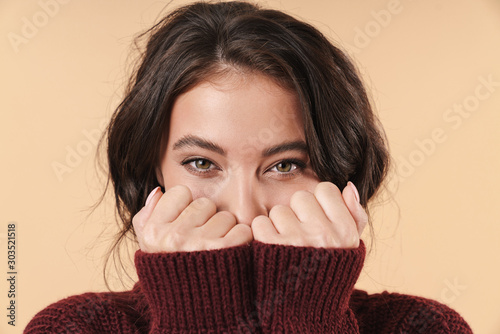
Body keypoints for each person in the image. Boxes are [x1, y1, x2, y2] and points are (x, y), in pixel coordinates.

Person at [25, 1, 473, 333]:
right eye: (201, 163)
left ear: (339, 177)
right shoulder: (73, 327)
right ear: (153, 176)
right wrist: (196, 315)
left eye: (285, 165)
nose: (244, 210)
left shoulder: (422, 326)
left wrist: (308, 319)